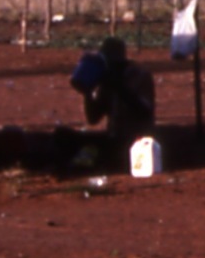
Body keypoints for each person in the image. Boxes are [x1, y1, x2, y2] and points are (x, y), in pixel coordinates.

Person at [66, 35, 157, 170]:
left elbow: (144, 111)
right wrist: (88, 93)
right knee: (63, 136)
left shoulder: (139, 75)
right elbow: (93, 119)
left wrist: (119, 87)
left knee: (99, 150)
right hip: (113, 136)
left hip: (137, 139)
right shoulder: (107, 77)